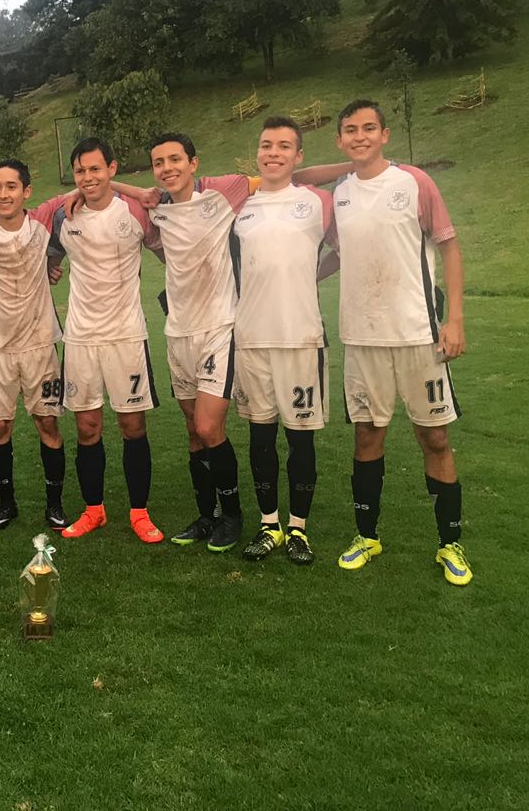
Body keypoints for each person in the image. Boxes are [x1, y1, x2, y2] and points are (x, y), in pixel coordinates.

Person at [327, 100, 472, 584]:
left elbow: (449, 246)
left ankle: (449, 544)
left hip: (418, 335)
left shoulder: (414, 182)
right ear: (340, 141)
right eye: (351, 130)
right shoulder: (339, 194)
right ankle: (366, 536)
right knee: (368, 435)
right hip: (362, 338)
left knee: (435, 437)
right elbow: (338, 254)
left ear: (385, 134)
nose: (360, 136)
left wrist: (455, 319)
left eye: (369, 128)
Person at [110, 135, 262, 554]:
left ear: (193, 162)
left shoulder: (222, 193)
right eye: (159, 162)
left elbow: (275, 178)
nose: (167, 168)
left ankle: (232, 517)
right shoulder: (156, 209)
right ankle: (206, 516)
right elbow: (112, 188)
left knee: (210, 427)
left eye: (175, 159)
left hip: (219, 328)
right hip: (178, 333)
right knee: (194, 433)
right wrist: (126, 188)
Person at [231, 118, 336, 565]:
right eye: (266, 145)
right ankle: (269, 524)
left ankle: (298, 530)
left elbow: (345, 249)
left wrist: (312, 276)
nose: (273, 152)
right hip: (251, 338)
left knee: (300, 440)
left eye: (284, 146)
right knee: (260, 437)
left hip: (301, 338)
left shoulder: (318, 202)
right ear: (257, 153)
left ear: (299, 155)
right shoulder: (241, 206)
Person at [50, 138, 166, 544]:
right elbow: (47, 249)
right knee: (87, 428)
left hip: (126, 336)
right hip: (81, 338)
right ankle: (93, 510)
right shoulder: (63, 216)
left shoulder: (134, 211)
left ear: (112, 169)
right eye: (80, 171)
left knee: (132, 425)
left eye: (95, 169)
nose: (88, 177)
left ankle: (139, 513)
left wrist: (124, 189)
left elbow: (167, 239)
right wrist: (51, 267)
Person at [0, 160, 74, 531]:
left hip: (40, 345)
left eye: (11, 187)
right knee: (0, 428)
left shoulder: (41, 219)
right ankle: (6, 504)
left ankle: (54, 506)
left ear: (26, 191)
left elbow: (87, 189)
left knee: (47, 424)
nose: (3, 194)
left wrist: (51, 262)